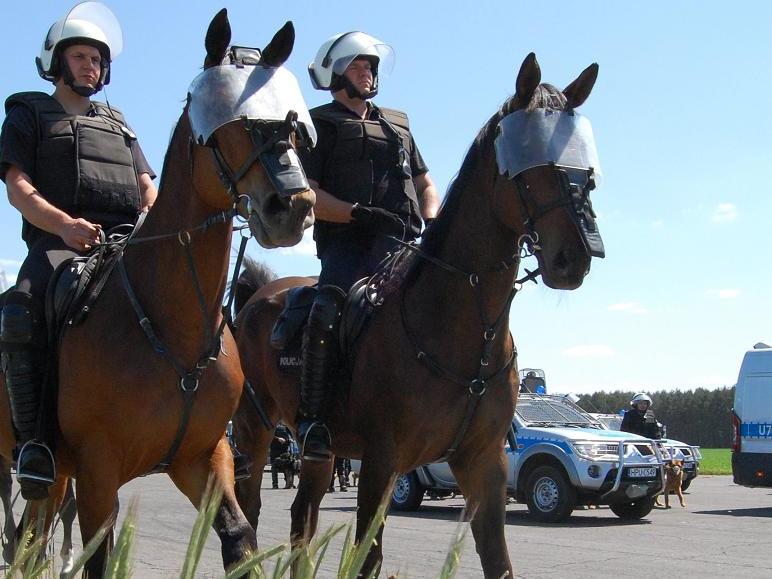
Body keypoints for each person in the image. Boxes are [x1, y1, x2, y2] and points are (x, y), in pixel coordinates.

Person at [0, 2, 157, 499]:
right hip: (58, 243)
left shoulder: (119, 123)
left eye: (97, 59)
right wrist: (64, 226)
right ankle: (34, 444)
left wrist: (150, 222)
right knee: (20, 309)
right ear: (57, 61)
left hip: (125, 243)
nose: (91, 66)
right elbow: (18, 188)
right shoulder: (27, 114)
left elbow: (146, 186)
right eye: (80, 57)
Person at [295, 32, 440, 462]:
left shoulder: (398, 124)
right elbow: (308, 194)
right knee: (327, 308)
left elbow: (425, 184)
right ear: (336, 73)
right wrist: (357, 214)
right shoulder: (316, 125)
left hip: (403, 243)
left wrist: (432, 219)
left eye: (371, 66)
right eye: (358, 65)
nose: (368, 73)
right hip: (348, 245)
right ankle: (313, 420)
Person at [270, 425, 297, 489]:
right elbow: (269, 436)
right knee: (274, 467)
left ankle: (289, 483)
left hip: (285, 451)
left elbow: (292, 435)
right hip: (275, 451)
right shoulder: (273, 426)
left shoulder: (286, 427)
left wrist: (290, 440)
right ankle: (275, 484)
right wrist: (278, 439)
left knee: (287, 466)